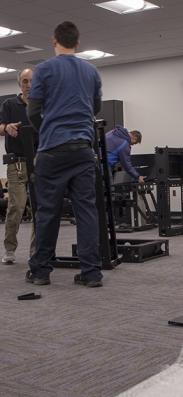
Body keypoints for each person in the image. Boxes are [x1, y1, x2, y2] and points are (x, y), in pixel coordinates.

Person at [26, 21, 103, 287]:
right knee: (86, 212)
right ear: (77, 43)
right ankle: (92, 272)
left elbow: (33, 111)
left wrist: (45, 132)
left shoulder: (44, 69)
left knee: (48, 212)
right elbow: (96, 107)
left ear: (54, 40)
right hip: (83, 151)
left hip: (52, 153)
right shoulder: (91, 71)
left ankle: (40, 272)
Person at [0, 69, 36, 264]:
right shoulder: (9, 104)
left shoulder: (43, 105)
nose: (28, 85)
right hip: (17, 164)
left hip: (39, 162)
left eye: (31, 81)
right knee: (16, 207)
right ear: (19, 85)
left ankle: (35, 251)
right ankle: (9, 248)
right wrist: (6, 128)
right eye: (25, 81)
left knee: (40, 208)